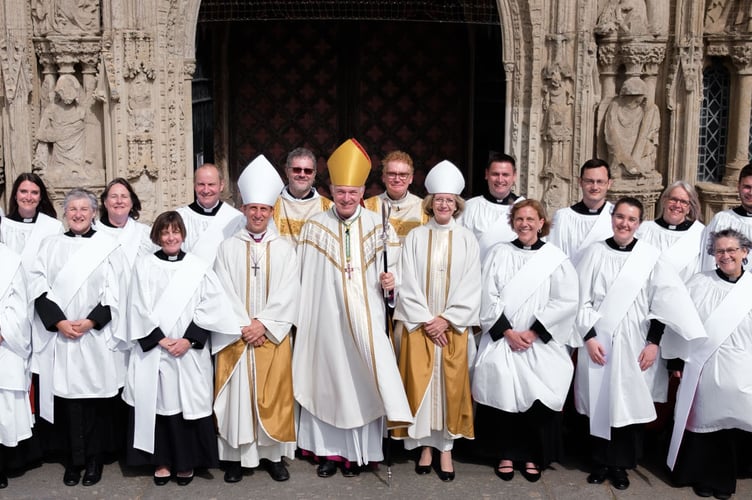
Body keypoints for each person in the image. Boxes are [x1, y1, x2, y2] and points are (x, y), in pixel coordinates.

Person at [293, 138, 413, 478]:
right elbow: (303, 278)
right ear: (331, 189)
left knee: (362, 384)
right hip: (325, 325)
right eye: (341, 191)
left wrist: (393, 285)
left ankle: (360, 454)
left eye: (353, 192)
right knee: (327, 384)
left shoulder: (379, 226)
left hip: (366, 322)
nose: (347, 198)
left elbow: (397, 273)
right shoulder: (314, 228)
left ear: (363, 191)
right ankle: (327, 454)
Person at [573, 197, 705, 491]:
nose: (624, 224)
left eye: (631, 219)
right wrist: (589, 336)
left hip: (636, 341)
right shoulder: (595, 253)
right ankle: (600, 461)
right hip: (599, 340)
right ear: (612, 219)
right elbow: (579, 299)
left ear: (639, 223)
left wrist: (654, 343)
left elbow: (664, 302)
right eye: (620, 217)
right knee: (601, 400)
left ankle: (622, 465)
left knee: (628, 403)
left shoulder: (650, 256)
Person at [120, 211, 237, 486]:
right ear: (157, 236)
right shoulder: (144, 266)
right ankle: (160, 461)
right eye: (165, 232)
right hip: (156, 351)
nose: (171, 237)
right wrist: (160, 339)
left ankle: (186, 463)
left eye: (175, 232)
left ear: (183, 235)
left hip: (188, 352)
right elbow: (136, 305)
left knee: (187, 406)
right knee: (158, 406)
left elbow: (212, 307)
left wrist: (188, 340)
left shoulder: (198, 267)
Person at [473, 199, 578, 483]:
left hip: (539, 342)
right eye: (519, 219)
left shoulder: (556, 259)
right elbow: (487, 294)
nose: (525, 224)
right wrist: (508, 332)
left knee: (539, 397)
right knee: (503, 393)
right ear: (512, 222)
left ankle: (533, 456)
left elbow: (565, 300)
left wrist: (533, 333)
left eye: (531, 219)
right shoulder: (499, 253)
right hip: (503, 339)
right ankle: (505, 454)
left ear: (542, 222)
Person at [29, 188, 129, 487]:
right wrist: (58, 321)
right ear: (64, 212)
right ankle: (74, 461)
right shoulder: (49, 246)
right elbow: (37, 286)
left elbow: (117, 291)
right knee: (68, 401)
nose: (78, 214)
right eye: (72, 209)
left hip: (94, 336)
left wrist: (90, 321)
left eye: (84, 209)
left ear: (94, 212)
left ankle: (95, 460)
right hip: (62, 336)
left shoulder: (109, 245)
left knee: (95, 401)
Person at [392, 160, 480, 482]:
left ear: (457, 205)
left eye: (450, 201)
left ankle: (446, 450)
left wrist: (447, 319)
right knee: (423, 386)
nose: (444, 204)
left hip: (452, 328)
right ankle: (425, 447)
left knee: (450, 388)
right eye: (439, 200)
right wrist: (428, 320)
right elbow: (406, 279)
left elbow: (473, 284)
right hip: (421, 326)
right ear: (430, 202)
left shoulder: (468, 239)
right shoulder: (415, 236)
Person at [214, 155, 300, 483]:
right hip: (237, 336)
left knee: (273, 394)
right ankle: (236, 457)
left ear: (272, 212)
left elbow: (290, 291)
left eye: (264, 209)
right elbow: (221, 290)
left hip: (270, 335)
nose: (258, 214)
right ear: (244, 210)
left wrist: (263, 324)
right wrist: (244, 325)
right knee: (239, 396)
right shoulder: (227, 248)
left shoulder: (285, 249)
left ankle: (272, 456)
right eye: (253, 208)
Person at [667, 229, 752, 500]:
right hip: (703, 363)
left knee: (730, 424)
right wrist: (676, 358)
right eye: (719, 251)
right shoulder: (699, 283)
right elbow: (680, 322)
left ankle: (724, 481)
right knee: (701, 421)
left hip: (741, 365)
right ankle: (698, 477)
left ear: (745, 252)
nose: (725, 255)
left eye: (731, 250)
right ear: (713, 255)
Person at [0, 242, 34, 489]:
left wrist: (3, 332)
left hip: (4, 341)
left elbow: (20, 303)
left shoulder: (10, 259)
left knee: (4, 408)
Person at [548, 159, 614, 266]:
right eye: (589, 181)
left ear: (609, 183)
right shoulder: (563, 217)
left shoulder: (618, 218)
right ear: (580, 182)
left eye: (600, 181)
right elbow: (553, 259)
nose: (595, 187)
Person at [460, 152, 525, 260]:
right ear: (486, 174)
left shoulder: (526, 209)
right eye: (495, 174)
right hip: (478, 273)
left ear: (514, 176)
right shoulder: (470, 207)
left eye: (505, 175)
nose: (500, 180)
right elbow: (460, 247)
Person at [636, 181, 704, 282]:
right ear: (664, 201)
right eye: (673, 199)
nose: (677, 205)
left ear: (689, 208)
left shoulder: (700, 234)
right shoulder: (643, 230)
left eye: (683, 202)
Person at [176, 163, 244, 263]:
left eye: (211, 184)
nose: (206, 190)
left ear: (221, 185)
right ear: (194, 185)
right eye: (201, 184)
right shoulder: (179, 218)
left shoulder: (236, 219)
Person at [0, 173, 64, 270]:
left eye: (34, 192)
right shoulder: (3, 227)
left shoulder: (53, 227)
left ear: (40, 197)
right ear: (15, 195)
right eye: (23, 191)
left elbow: (58, 263)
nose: (29, 197)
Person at [272, 147, 332, 246]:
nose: (302, 175)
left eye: (308, 171)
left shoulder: (328, 208)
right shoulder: (272, 206)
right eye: (297, 170)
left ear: (314, 174)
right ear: (287, 172)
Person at [364, 150, 428, 242]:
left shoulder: (424, 209)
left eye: (403, 175)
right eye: (391, 174)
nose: (397, 179)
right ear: (383, 177)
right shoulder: (368, 206)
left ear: (411, 179)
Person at [701, 163, 752, 272]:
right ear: (738, 187)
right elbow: (708, 262)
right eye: (747, 187)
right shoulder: (722, 220)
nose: (751, 193)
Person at [95, 178, 155, 269]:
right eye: (114, 196)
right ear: (105, 202)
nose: (119, 201)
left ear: (131, 203)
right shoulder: (94, 232)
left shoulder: (145, 234)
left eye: (124, 196)